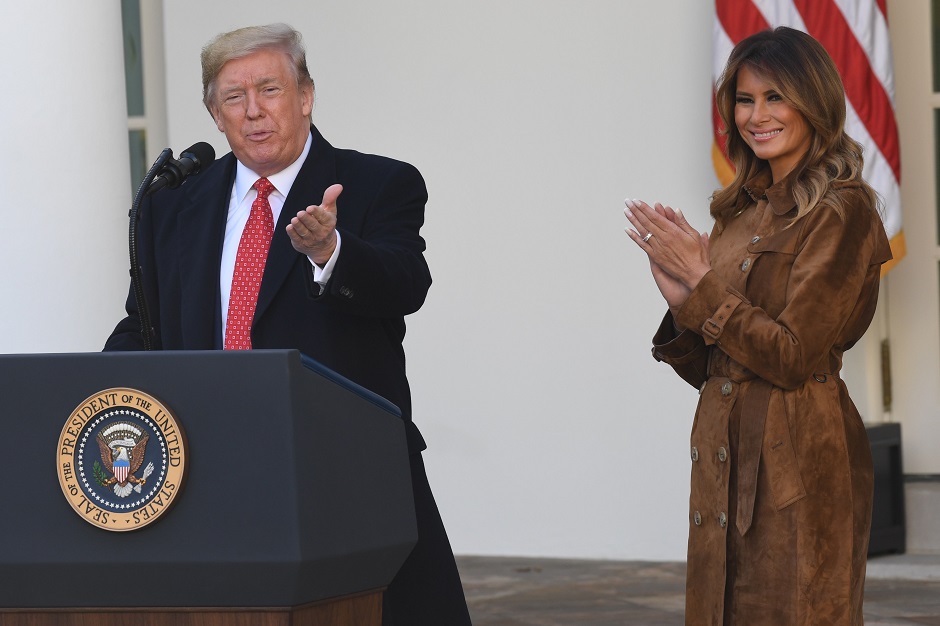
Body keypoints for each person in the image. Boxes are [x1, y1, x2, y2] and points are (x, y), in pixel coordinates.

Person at [105, 22, 472, 626]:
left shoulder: (377, 184)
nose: (253, 111)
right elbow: (142, 325)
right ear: (214, 114)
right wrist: (90, 397)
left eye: (270, 90)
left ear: (305, 95)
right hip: (204, 471)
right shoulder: (172, 203)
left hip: (342, 470)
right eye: (233, 97)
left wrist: (333, 252)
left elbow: (408, 283)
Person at [623, 27, 891, 625]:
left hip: (802, 454)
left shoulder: (842, 211)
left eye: (776, 97)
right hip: (723, 455)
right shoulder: (739, 211)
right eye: (745, 99)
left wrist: (705, 284)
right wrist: (682, 300)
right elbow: (722, 369)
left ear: (813, 101)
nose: (757, 115)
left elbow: (792, 356)